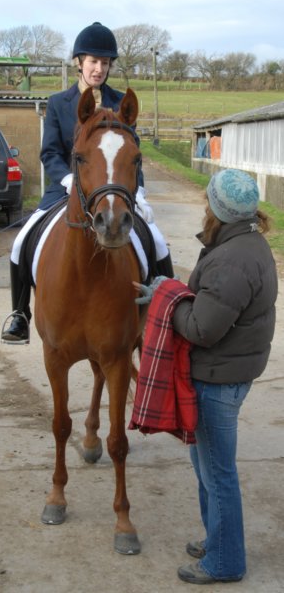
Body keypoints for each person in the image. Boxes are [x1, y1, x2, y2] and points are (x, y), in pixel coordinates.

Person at [134, 168, 278, 584]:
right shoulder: (244, 244)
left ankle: (225, 561)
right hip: (230, 369)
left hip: (218, 378)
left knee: (218, 474)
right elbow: (214, 304)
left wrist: (165, 294)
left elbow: (201, 328)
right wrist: (175, 287)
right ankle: (217, 539)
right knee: (206, 466)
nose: (203, 208)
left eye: (207, 202)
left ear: (218, 209)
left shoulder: (232, 260)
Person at [1, 22, 173, 344]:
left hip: (113, 191)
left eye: (105, 63)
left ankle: (163, 311)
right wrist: (67, 180)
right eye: (93, 61)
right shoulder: (58, 103)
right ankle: (20, 314)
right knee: (20, 241)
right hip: (65, 189)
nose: (99, 68)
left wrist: (142, 196)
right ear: (79, 61)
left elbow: (131, 156)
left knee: (158, 241)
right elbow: (50, 152)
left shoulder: (122, 102)